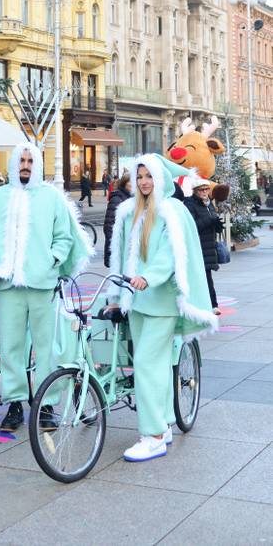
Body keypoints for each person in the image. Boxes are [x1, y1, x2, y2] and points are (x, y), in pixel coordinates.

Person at [0, 143, 94, 432]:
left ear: (37, 164)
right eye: (21, 160)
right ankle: (14, 405)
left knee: (46, 347)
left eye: (30, 160)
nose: (25, 165)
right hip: (7, 286)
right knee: (10, 346)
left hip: (42, 284)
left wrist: (53, 259)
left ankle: (46, 405)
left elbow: (64, 236)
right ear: (14, 163)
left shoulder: (52, 198)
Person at [105, 153, 217, 462]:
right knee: (156, 365)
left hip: (162, 299)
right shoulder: (130, 211)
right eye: (139, 176)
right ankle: (164, 424)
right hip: (137, 300)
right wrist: (116, 294)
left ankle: (153, 436)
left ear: (160, 179)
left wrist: (148, 277)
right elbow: (120, 255)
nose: (144, 182)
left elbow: (170, 253)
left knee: (145, 364)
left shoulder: (171, 210)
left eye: (149, 176)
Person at [184, 179, 223, 315]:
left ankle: (211, 304)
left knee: (207, 276)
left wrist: (217, 225)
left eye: (207, 189)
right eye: (202, 189)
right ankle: (211, 305)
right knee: (204, 277)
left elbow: (211, 220)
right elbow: (192, 226)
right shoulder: (190, 204)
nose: (205, 192)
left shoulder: (209, 204)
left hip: (209, 246)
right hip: (198, 247)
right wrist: (210, 220)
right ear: (195, 191)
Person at [103, 171, 131, 267]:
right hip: (118, 247)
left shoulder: (131, 197)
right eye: (130, 181)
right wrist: (114, 248)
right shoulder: (117, 198)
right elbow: (109, 226)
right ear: (124, 183)